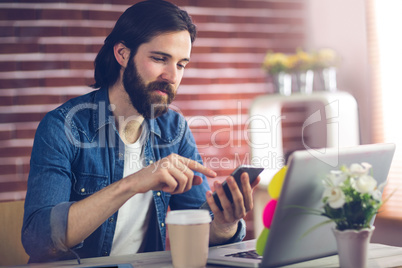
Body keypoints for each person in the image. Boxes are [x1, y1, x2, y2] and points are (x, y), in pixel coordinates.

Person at [22, 0, 260, 263]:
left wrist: (224, 224)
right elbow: (39, 240)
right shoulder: (63, 127)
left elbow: (200, 227)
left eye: (181, 64)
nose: (172, 75)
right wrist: (133, 183)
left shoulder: (175, 131)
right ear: (122, 54)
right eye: (160, 58)